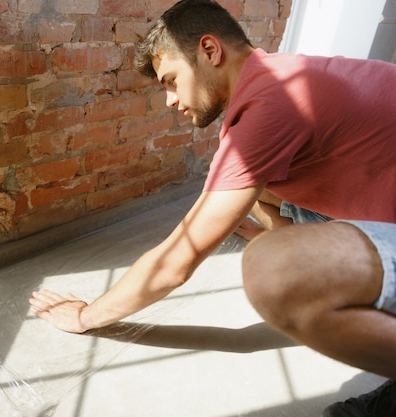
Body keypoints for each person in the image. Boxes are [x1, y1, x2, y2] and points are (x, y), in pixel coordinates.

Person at [29, 1, 396, 415]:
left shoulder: (269, 109)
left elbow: (176, 261)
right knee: (251, 184)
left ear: (209, 50)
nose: (170, 100)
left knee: (276, 268)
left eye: (171, 80)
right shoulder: (283, 72)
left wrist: (84, 316)